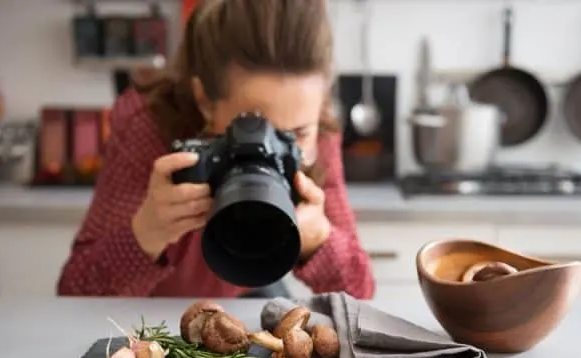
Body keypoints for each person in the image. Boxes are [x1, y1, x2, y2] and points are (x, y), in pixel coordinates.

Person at [56, 0, 375, 299]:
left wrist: (319, 239)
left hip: (247, 291)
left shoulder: (319, 131)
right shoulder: (148, 125)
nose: (269, 151)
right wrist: (148, 232)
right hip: (148, 309)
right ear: (204, 101)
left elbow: (361, 293)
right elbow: (75, 293)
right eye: (252, 128)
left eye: (295, 134)